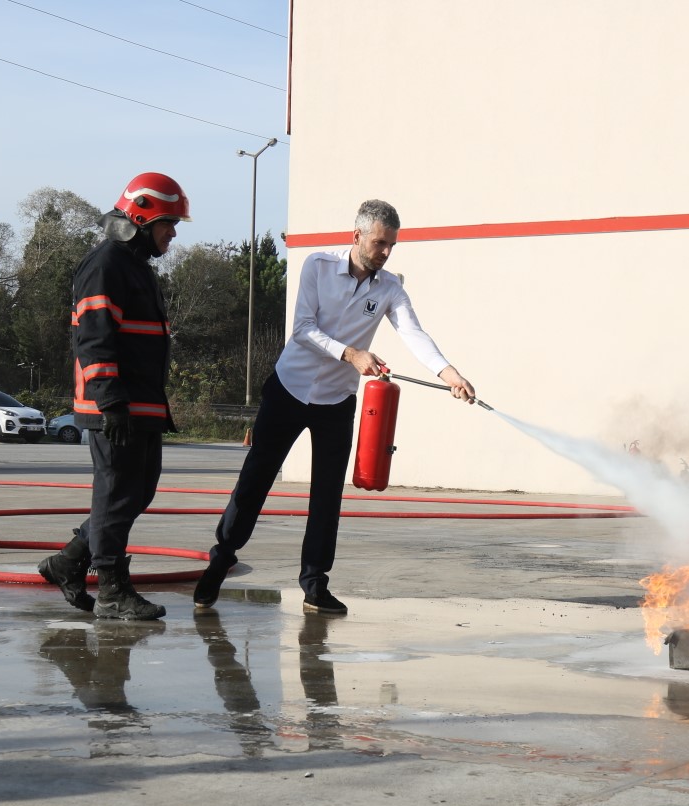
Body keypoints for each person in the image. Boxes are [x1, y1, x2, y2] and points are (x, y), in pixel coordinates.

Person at [193, 199, 477, 615]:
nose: (385, 252)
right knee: (256, 480)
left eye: (391, 246)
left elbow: (415, 333)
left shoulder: (390, 288)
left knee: (327, 496)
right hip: (289, 390)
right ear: (356, 235)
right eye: (379, 243)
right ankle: (221, 560)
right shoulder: (318, 266)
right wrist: (352, 354)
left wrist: (449, 373)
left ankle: (314, 585)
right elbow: (304, 329)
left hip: (336, 402)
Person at [38, 172, 189, 621]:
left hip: (140, 405)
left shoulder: (133, 265)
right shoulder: (105, 265)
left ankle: (67, 564)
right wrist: (111, 402)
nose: (173, 233)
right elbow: (94, 339)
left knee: (136, 492)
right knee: (115, 495)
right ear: (141, 218)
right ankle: (110, 590)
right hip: (116, 408)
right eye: (168, 223)